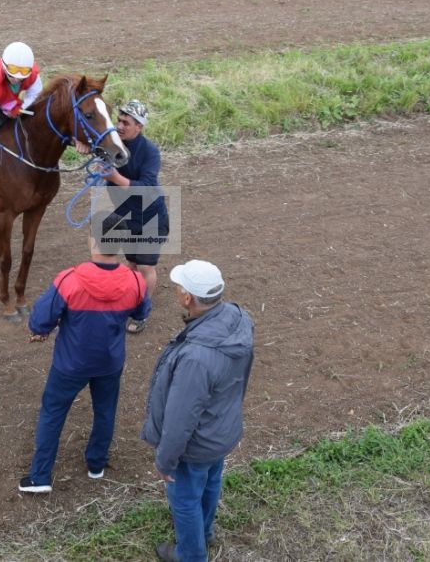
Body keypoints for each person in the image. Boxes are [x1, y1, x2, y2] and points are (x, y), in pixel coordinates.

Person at [18, 220, 151, 493]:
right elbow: (140, 313)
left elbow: (41, 319)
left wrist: (41, 330)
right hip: (110, 362)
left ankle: (40, 476)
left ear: (92, 241)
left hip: (70, 364)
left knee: (53, 412)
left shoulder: (70, 279)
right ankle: (96, 464)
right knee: (105, 411)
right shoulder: (136, 281)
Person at [141, 260, 255, 562]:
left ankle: (190, 554)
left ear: (187, 298)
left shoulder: (195, 358)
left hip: (197, 444)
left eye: (180, 287)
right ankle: (204, 532)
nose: (178, 291)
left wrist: (165, 461)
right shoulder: (238, 319)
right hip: (221, 430)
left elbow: (180, 419)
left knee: (185, 499)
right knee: (211, 481)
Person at [101, 99, 168, 334]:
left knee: (146, 266)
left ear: (139, 126)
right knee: (131, 262)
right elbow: (90, 142)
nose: (119, 126)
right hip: (127, 214)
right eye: (118, 120)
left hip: (151, 216)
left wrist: (114, 178)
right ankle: (129, 299)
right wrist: (79, 143)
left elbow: (148, 186)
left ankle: (143, 309)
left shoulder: (150, 152)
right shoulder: (113, 144)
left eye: (126, 122)